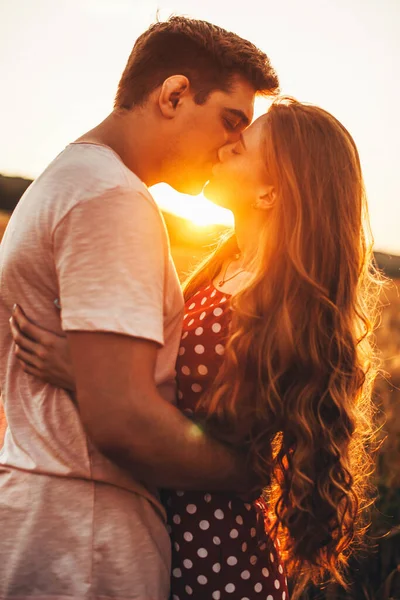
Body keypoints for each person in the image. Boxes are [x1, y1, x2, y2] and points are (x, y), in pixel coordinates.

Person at [10, 98, 382, 599]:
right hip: (168, 534)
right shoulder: (222, 272)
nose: (225, 146)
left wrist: (88, 376)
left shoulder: (279, 308)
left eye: (242, 145)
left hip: (216, 559)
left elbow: (234, 449)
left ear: (270, 191)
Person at [0, 16, 279, 599]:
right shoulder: (111, 198)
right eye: (231, 121)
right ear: (174, 94)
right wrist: (246, 472)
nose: (231, 145)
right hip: (86, 538)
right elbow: (122, 420)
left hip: (57, 516)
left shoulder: (69, 178)